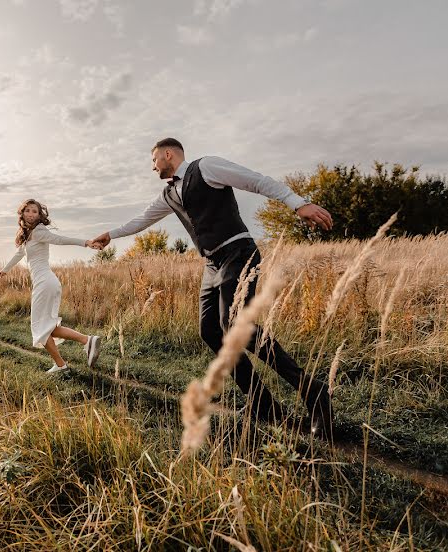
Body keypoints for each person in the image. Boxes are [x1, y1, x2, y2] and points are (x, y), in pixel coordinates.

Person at [89, 138, 334, 439]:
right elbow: (142, 219)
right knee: (210, 331)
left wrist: (298, 203)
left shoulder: (206, 167)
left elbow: (256, 181)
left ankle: (314, 392)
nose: (152, 166)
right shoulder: (168, 194)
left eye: (154, 160)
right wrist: (110, 235)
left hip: (238, 251)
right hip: (212, 263)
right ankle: (263, 404)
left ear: (168, 154)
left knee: (234, 324)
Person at [0, 198, 103, 373]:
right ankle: (86, 341)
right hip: (46, 282)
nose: (31, 214)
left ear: (40, 215)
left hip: (45, 283)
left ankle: (62, 364)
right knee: (49, 328)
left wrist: (86, 242)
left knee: (40, 327)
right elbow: (19, 254)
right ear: (22, 213)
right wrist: (4, 270)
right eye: (28, 210)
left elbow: (60, 239)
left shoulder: (39, 231)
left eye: (35, 211)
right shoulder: (28, 236)